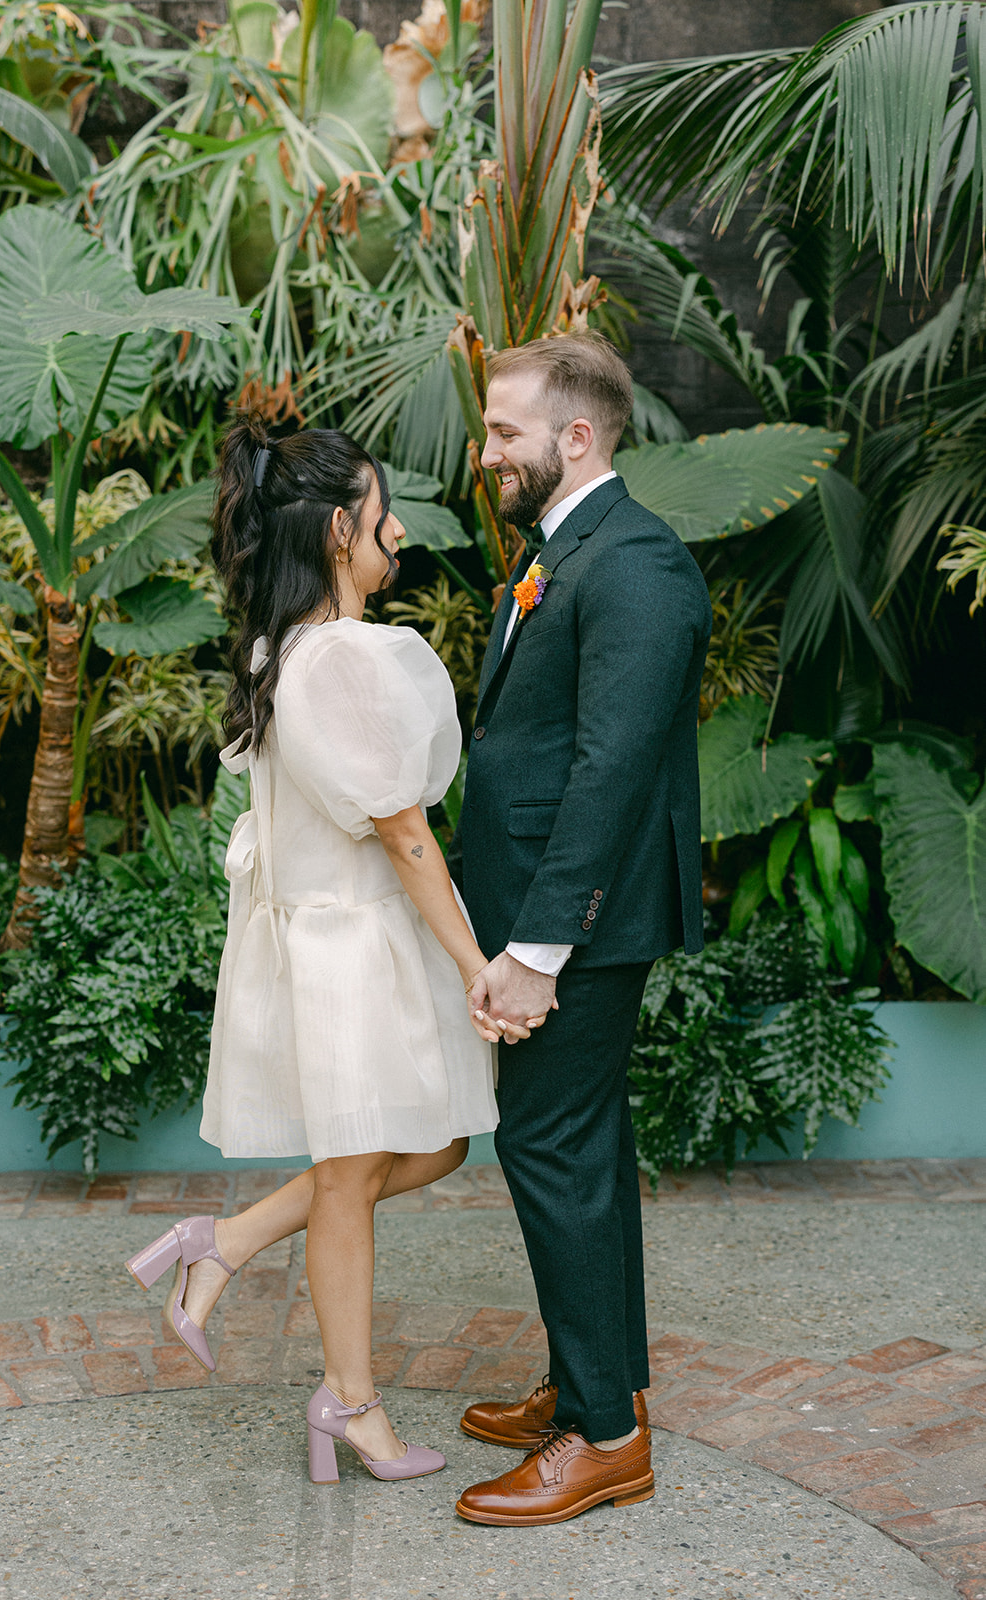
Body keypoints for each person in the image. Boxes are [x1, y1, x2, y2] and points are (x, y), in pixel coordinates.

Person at [126, 421, 506, 1485]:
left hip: (327, 940)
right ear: (341, 529)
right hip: (353, 950)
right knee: (356, 1177)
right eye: (382, 510)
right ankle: (350, 1403)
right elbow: (405, 832)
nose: (399, 530)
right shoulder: (341, 656)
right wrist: (475, 964)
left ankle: (225, 1244)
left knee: (432, 1145)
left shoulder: (282, 648)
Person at [448, 332, 713, 1526]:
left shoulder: (636, 562)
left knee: (550, 1146)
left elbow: (611, 769)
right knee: (582, 1149)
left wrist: (535, 950)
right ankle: (591, 1381)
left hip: (580, 928)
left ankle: (603, 1438)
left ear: (576, 434)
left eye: (503, 430)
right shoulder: (563, 551)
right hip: (552, 913)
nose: (484, 451)